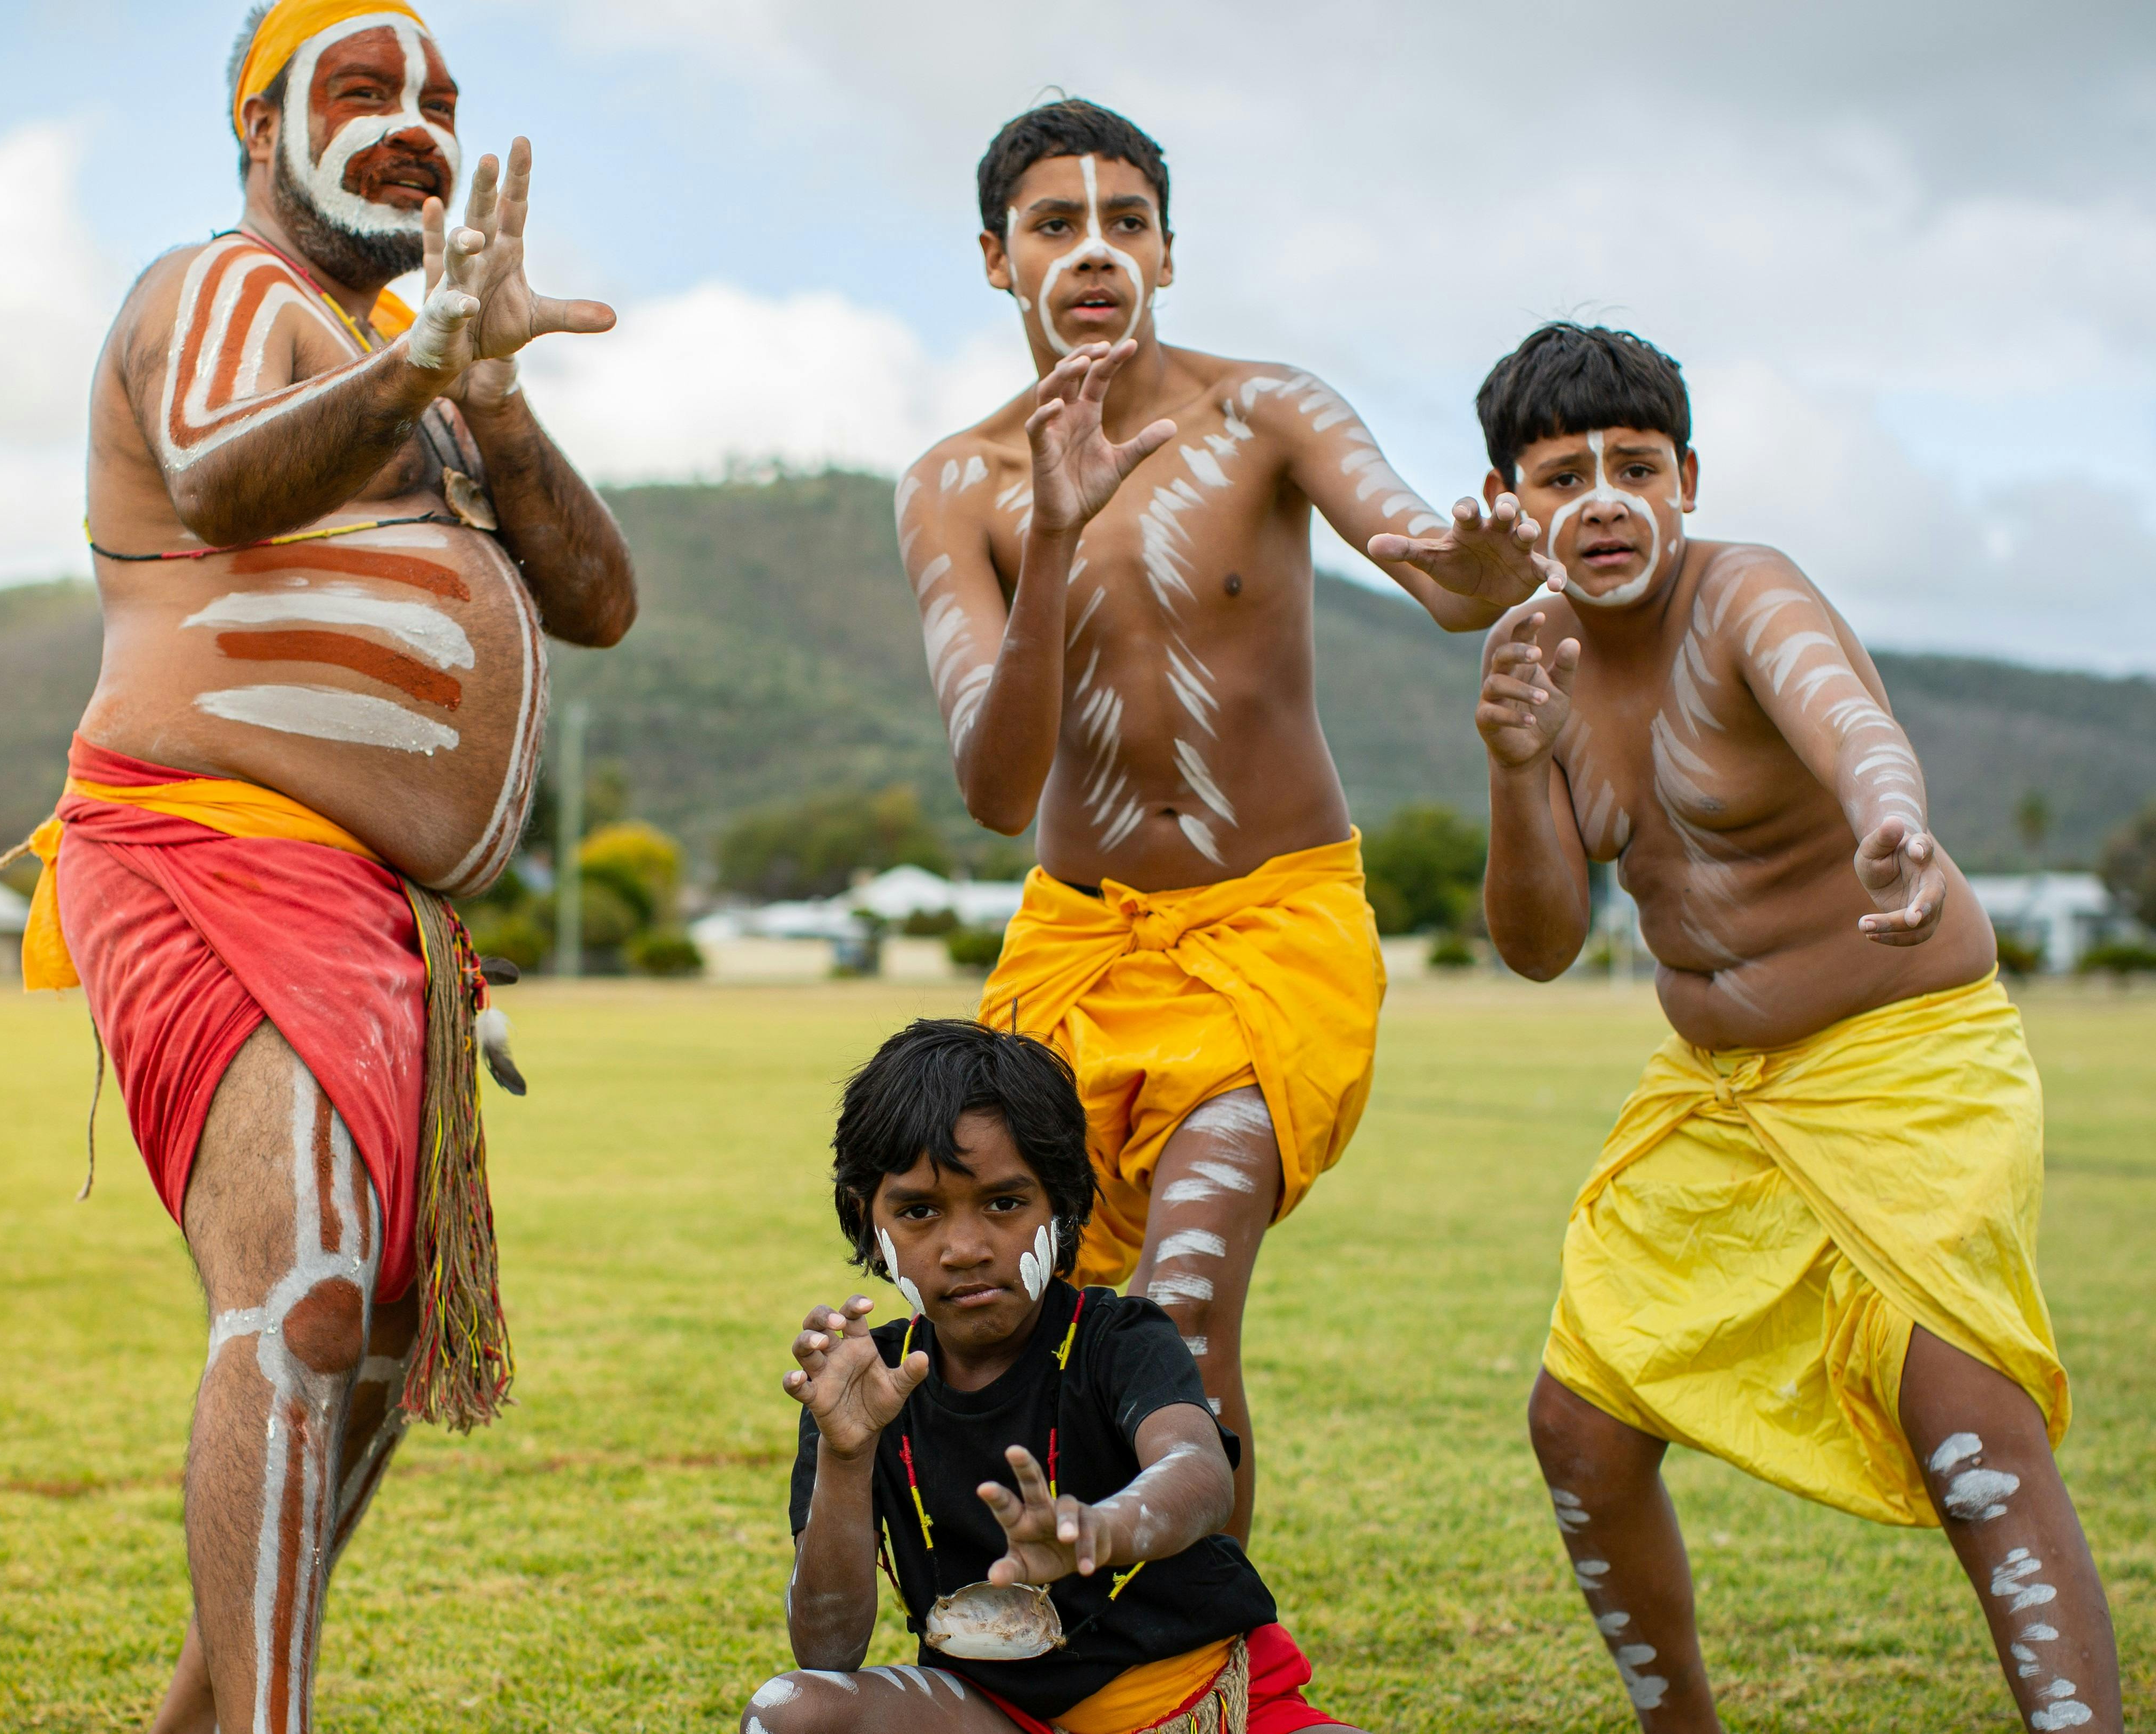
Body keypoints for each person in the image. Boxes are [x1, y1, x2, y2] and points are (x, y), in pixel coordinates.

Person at [6, 4, 635, 1729]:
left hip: (386, 918)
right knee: (301, 1290)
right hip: (204, 845)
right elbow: (215, 480)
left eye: (441, 100)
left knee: (361, 1346)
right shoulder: (216, 292)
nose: (415, 124)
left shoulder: (415, 373)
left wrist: (489, 402)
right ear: (256, 122)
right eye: (364, 91)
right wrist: (422, 365)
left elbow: (597, 600)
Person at [896, 98, 1561, 1538]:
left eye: (1124, 222)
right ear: (995, 259)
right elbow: (996, 788)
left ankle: (1213, 1672)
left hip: (1272, 931)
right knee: (1044, 1323)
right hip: (1078, 946)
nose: (1092, 250)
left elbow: (1435, 573)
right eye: (1053, 224)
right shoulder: (960, 484)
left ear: (1170, 254)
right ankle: (1085, 1637)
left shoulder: (1269, 411)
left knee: (1181, 1309)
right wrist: (1059, 530)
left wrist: (1480, 561)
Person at [1470, 322, 2119, 1731]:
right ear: (1511, 505)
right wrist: (1517, 763)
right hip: (1715, 1090)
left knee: (1970, 1432)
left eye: (1633, 465)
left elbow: (1846, 721)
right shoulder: (1540, 661)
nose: (1601, 499)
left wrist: (1891, 819)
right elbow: (1535, 945)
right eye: (1559, 475)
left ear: (1688, 478)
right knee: (1576, 1419)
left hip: (1907, 1058)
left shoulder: (1744, 592)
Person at [754, 1019, 1363, 1734]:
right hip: (999, 1716)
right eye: (918, 1211)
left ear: (1065, 1202)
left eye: (1004, 1203)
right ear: (867, 1221)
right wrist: (847, 1455)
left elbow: (1198, 1473)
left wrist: (1099, 1530)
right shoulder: (860, 1389)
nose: (964, 1248)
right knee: (792, 1712)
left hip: (1206, 1704)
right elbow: (827, 1648)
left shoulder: (1118, 1338)